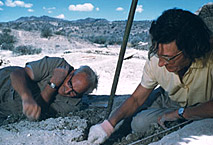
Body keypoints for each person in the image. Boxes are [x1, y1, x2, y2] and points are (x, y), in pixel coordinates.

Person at [88, 8, 213, 144]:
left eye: (168, 58)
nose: (160, 63)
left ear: (192, 49)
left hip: (205, 104)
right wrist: (106, 127)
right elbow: (136, 99)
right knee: (139, 123)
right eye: (159, 55)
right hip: (172, 100)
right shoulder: (155, 60)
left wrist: (181, 113)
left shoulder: (210, 59)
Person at [0, 56, 98, 121]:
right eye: (70, 84)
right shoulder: (57, 65)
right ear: (72, 72)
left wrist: (53, 85)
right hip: (3, 82)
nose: (67, 91)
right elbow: (18, 73)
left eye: (74, 92)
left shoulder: (73, 105)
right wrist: (26, 97)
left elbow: (36, 112)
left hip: (4, 110)